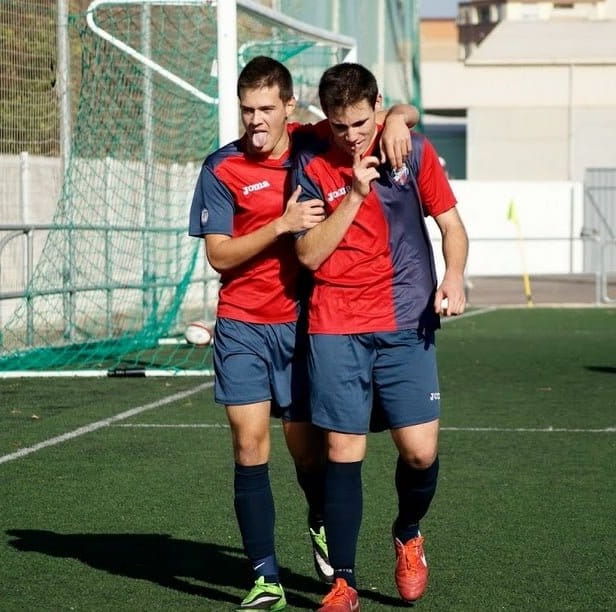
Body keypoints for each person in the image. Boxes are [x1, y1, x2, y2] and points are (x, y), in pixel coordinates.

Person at [187, 56, 418, 611]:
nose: (255, 121)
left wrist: (393, 121)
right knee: (248, 446)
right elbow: (219, 256)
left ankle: (319, 516)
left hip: (302, 325)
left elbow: (396, 113)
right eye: (247, 110)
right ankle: (265, 577)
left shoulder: (315, 141)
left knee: (308, 455)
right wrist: (281, 225)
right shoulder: (221, 168)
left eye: (266, 109)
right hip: (242, 323)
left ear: (290, 108)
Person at [290, 63, 468, 611]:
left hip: (406, 319)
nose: (352, 136)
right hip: (336, 322)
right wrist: (354, 195)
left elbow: (452, 228)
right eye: (340, 126)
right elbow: (308, 255)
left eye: (362, 122)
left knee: (419, 452)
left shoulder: (410, 147)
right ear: (327, 120)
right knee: (344, 450)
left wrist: (454, 276)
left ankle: (408, 532)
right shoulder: (311, 156)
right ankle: (343, 583)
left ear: (378, 106)